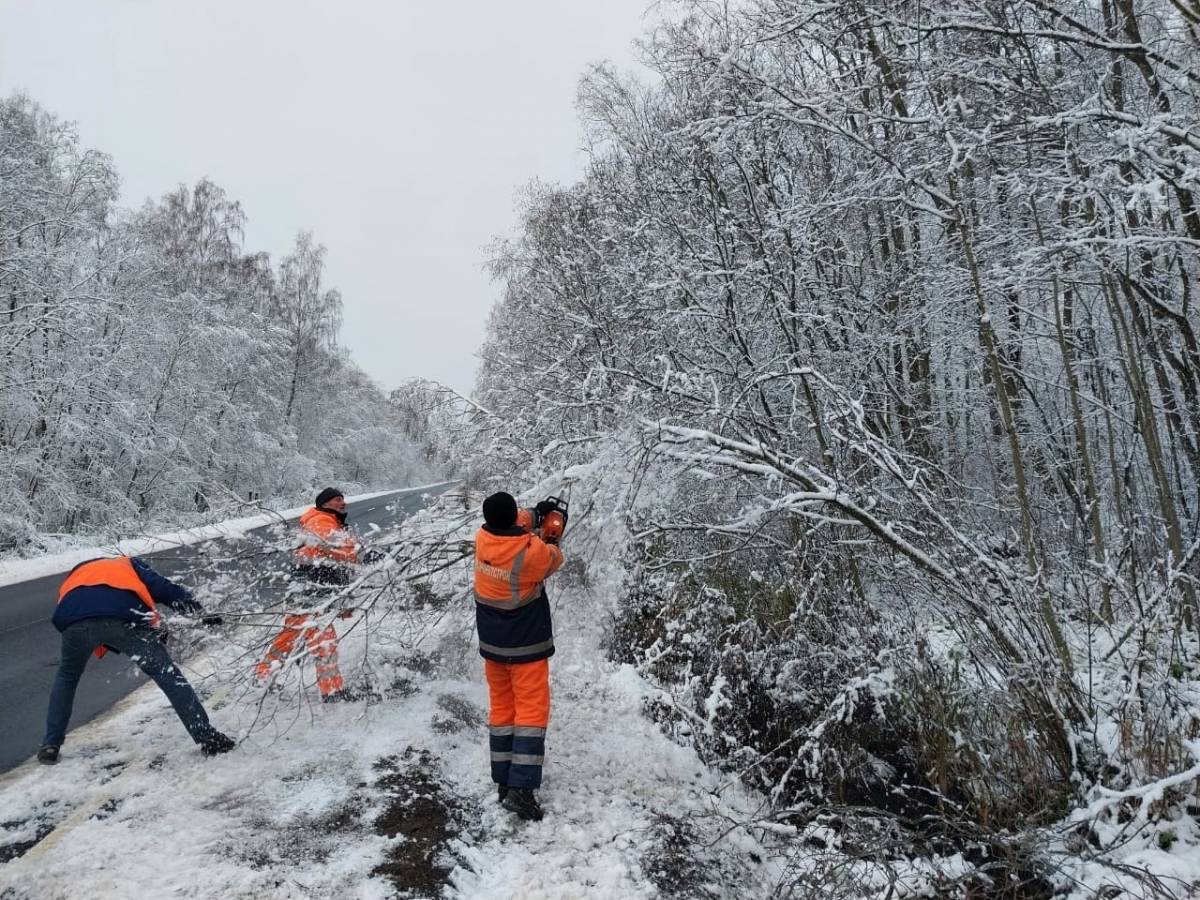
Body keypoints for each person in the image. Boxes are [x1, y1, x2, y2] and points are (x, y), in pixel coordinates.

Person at [39, 556, 234, 764]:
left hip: (73, 623)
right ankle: (207, 738)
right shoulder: (129, 563)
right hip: (124, 619)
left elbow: (80, 606)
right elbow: (163, 588)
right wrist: (200, 612)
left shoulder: (76, 573)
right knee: (166, 673)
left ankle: (50, 745)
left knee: (67, 677)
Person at [473, 492, 566, 821]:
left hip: (493, 646)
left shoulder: (483, 539)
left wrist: (535, 512)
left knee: (502, 710)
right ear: (513, 518)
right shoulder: (531, 554)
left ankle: (503, 780)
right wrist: (551, 531)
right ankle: (522, 790)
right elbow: (555, 556)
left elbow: (514, 524)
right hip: (525, 646)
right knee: (530, 713)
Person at [255, 487, 358, 702]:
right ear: (326, 503)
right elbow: (337, 550)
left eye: (343, 499)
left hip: (310, 589)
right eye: (338, 499)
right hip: (311, 589)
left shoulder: (329, 520)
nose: (343, 503)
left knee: (291, 637)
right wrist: (362, 555)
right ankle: (332, 691)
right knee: (323, 640)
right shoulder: (321, 521)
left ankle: (263, 675)